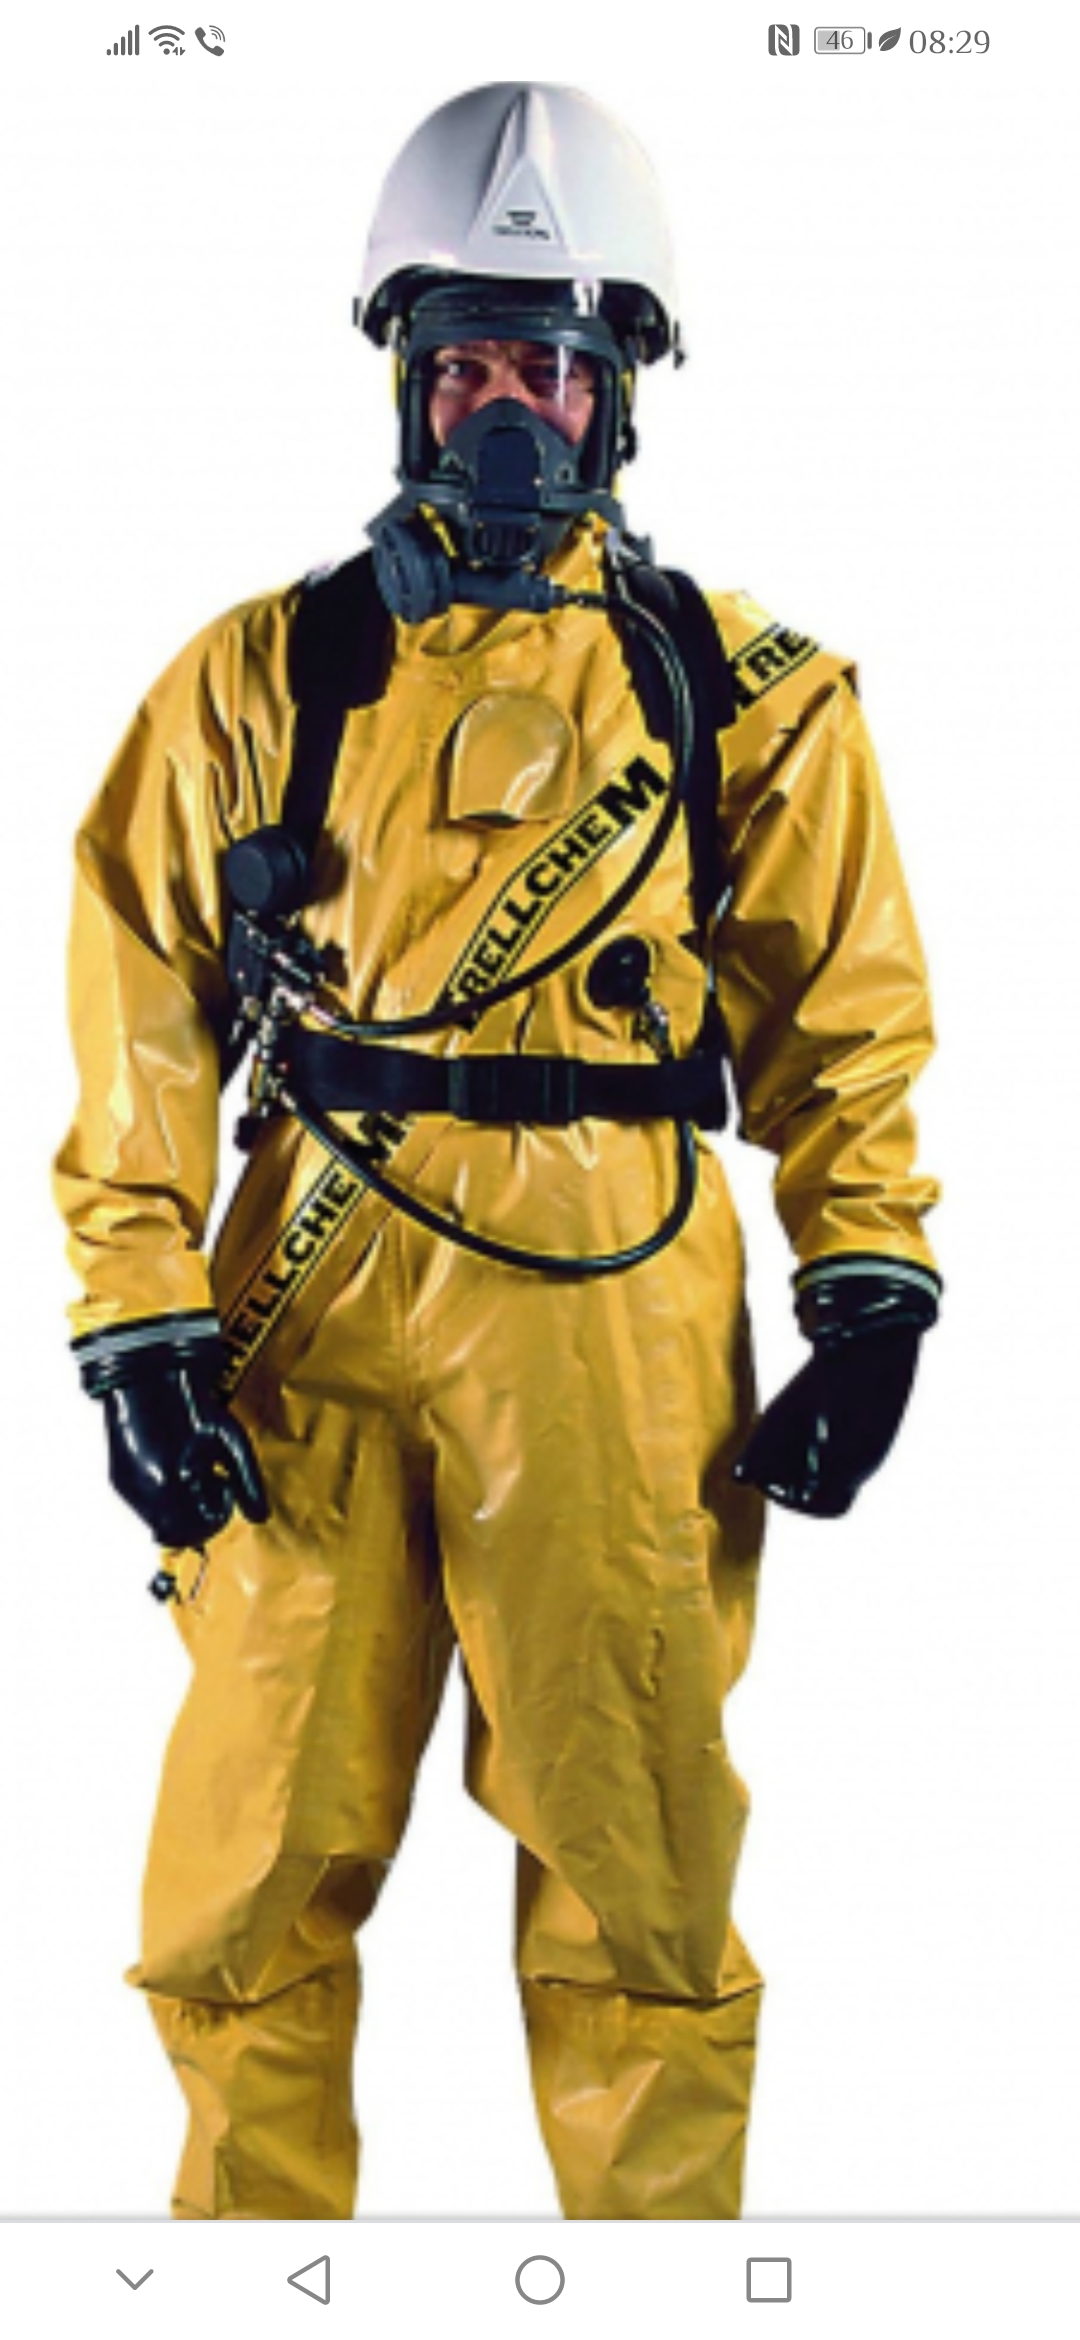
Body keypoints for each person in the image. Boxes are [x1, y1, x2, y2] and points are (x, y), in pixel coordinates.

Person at [54, 81, 940, 2221]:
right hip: (315, 1287)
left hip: (616, 1313)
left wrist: (870, 1283)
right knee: (253, 1854)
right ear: (406, 379)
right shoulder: (259, 679)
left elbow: (843, 1017)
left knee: (634, 1858)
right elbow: (140, 1006)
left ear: (621, 392)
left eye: (553, 366)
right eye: (468, 365)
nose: (510, 414)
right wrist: (139, 1323)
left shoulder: (743, 694)